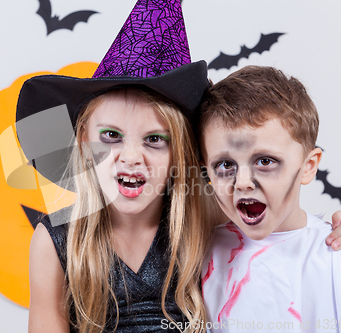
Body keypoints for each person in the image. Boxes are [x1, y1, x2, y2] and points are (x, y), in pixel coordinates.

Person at [17, 1, 220, 331]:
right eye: (112, 135)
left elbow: (284, 242)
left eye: (154, 139)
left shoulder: (209, 226)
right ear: (83, 140)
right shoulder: (56, 242)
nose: (131, 157)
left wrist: (334, 231)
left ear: (180, 153)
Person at [199, 66, 341, 332]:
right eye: (225, 164)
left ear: (308, 166)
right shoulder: (196, 257)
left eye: (265, 161)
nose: (243, 182)